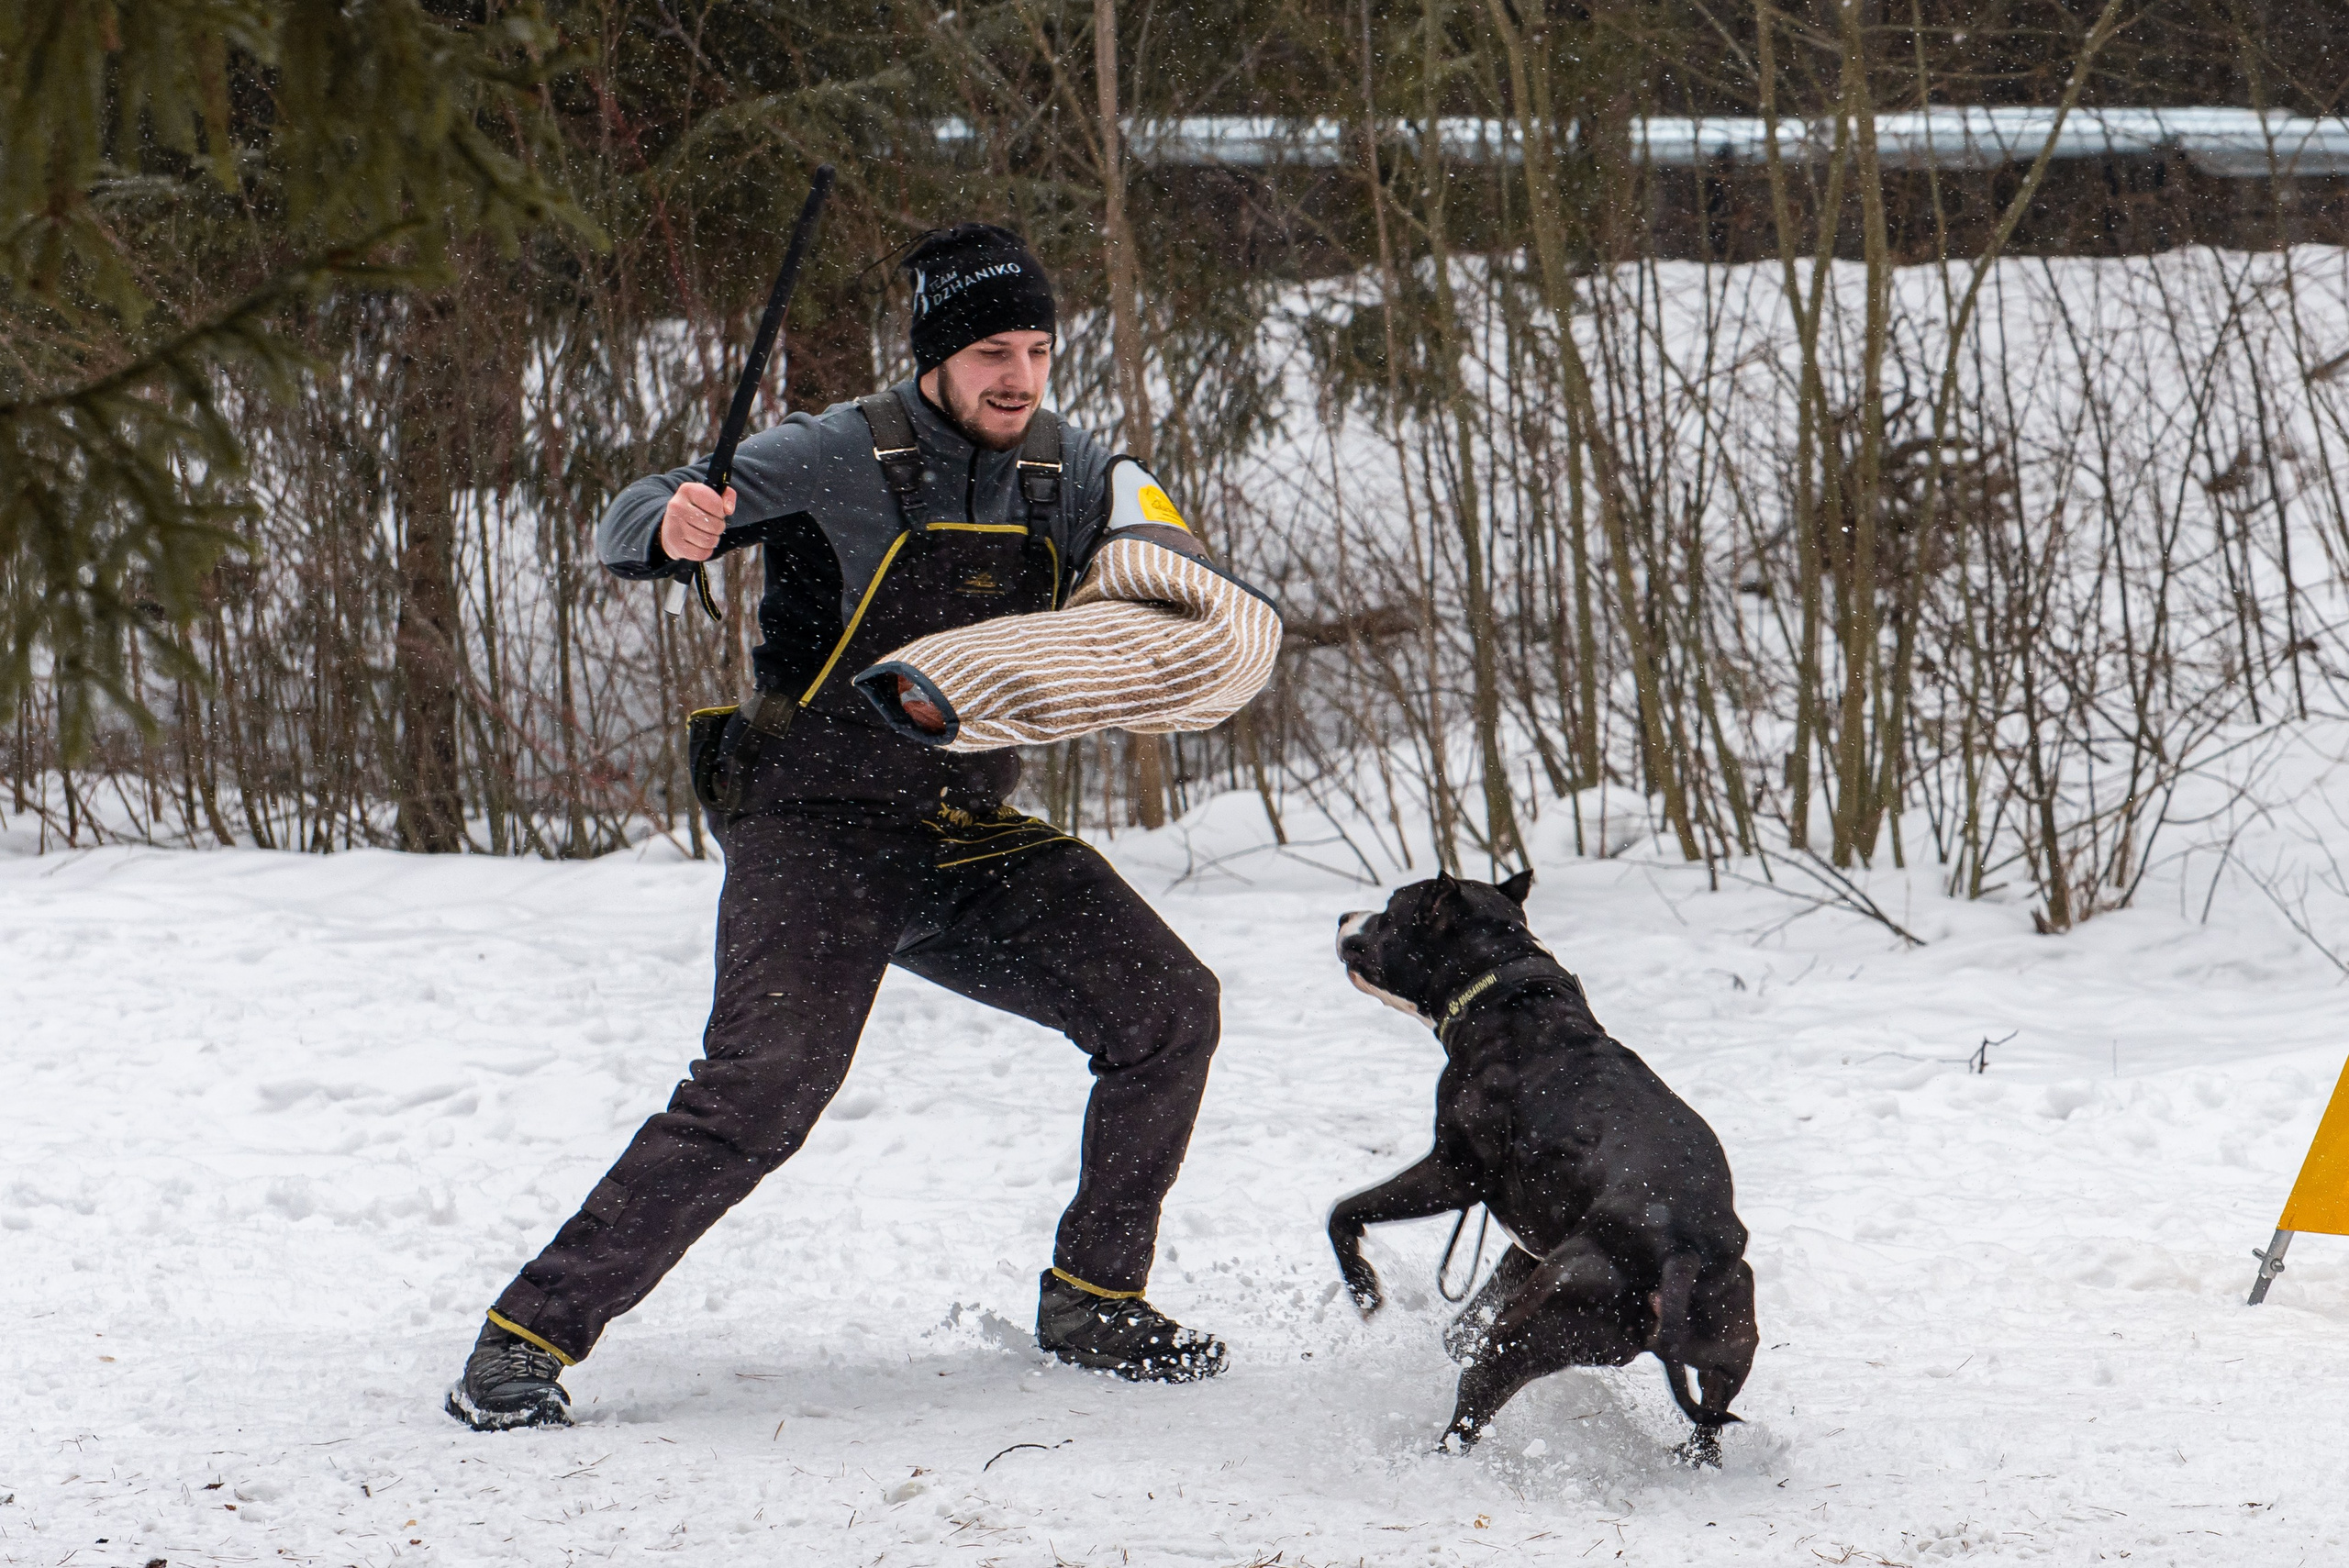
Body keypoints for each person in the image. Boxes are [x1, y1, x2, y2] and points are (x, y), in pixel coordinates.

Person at [447, 223, 1282, 1430]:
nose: (1020, 374)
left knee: (1167, 1006)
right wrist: (670, 526)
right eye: (993, 348)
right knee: (764, 1086)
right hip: (815, 821)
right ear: (938, 354)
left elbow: (1168, 571)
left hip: (960, 829)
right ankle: (523, 1337)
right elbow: (640, 514)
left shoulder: (1078, 469)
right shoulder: (841, 450)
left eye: (1039, 349)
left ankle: (1097, 1298)